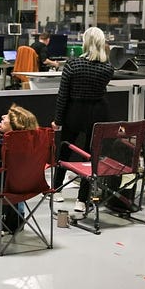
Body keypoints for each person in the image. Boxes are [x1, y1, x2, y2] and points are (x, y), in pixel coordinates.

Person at [51, 26, 115, 213]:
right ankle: (82, 200)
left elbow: (63, 95)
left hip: (74, 112)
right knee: (90, 157)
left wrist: (58, 120)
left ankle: (56, 189)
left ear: (85, 43)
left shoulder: (73, 64)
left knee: (64, 151)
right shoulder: (107, 68)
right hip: (98, 114)